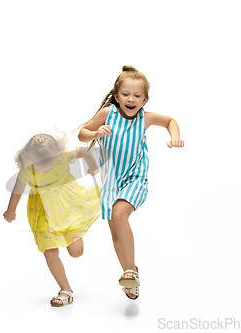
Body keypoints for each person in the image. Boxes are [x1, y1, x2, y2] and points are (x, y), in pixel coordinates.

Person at [78, 65, 184, 300]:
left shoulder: (145, 118)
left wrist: (175, 137)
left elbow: (169, 121)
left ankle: (128, 270)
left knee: (119, 215)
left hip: (135, 177)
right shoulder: (108, 114)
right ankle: (131, 272)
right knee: (116, 234)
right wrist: (94, 134)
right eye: (126, 94)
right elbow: (82, 132)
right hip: (110, 181)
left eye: (137, 95)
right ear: (116, 96)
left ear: (144, 100)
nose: (131, 99)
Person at [3, 133, 101, 307]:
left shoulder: (63, 157)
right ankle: (65, 290)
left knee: (76, 252)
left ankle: (72, 231)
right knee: (50, 251)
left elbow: (85, 152)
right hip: (43, 212)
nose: (44, 170)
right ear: (29, 159)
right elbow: (17, 191)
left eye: (47, 164)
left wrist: (93, 168)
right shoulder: (27, 170)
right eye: (38, 165)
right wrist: (11, 211)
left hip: (68, 205)